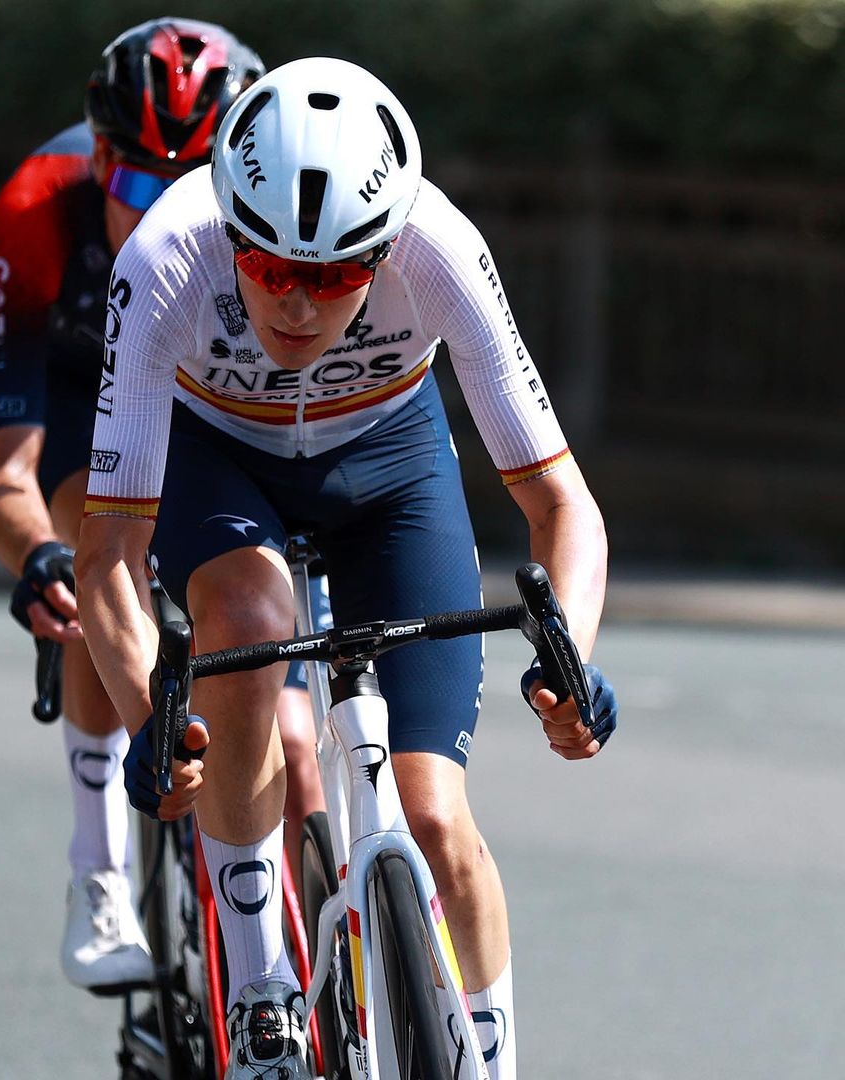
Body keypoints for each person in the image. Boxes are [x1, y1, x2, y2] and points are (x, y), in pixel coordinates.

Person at [76, 55, 619, 1078]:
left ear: (386, 248)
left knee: (436, 818)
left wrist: (571, 657)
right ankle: (261, 993)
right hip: (216, 457)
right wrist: (153, 715)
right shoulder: (166, 259)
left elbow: (562, 505)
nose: (297, 304)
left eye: (333, 277)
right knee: (248, 616)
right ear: (231, 235)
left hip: (387, 465)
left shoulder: (441, 249)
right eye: (270, 268)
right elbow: (108, 550)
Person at [0, 18, 323, 996]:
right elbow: (4, 474)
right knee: (92, 557)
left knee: (295, 733)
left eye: (196, 182)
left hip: (215, 407)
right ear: (97, 163)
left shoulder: (274, 233)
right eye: (137, 184)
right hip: (88, 393)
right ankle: (100, 872)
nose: (164, 211)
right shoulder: (33, 213)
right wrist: (38, 556)